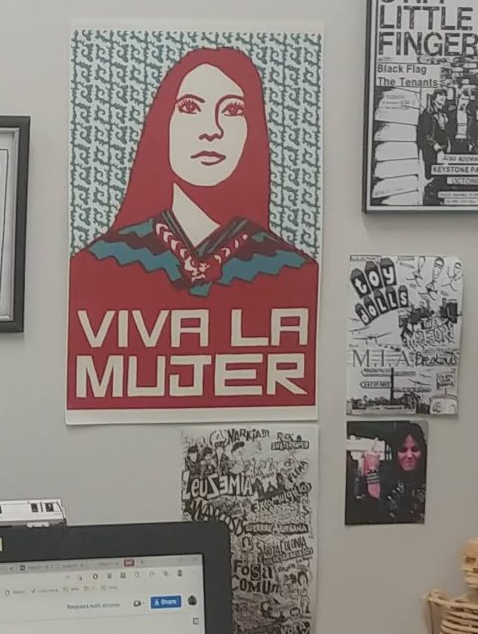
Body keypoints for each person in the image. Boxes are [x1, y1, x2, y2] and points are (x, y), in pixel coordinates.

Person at [68, 46, 318, 396]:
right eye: (189, 107)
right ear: (162, 126)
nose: (211, 129)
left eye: (232, 110)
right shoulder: (97, 265)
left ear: (253, 131)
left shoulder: (296, 273)